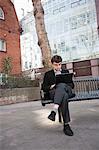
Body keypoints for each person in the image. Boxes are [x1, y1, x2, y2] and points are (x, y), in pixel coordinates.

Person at [42, 55, 74, 136]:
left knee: (62, 85)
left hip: (66, 90)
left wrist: (64, 84)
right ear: (52, 64)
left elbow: (72, 85)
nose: (58, 66)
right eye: (56, 64)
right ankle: (66, 125)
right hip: (54, 93)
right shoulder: (48, 74)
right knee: (64, 96)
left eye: (59, 64)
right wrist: (51, 86)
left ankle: (54, 111)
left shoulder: (65, 72)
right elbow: (44, 87)